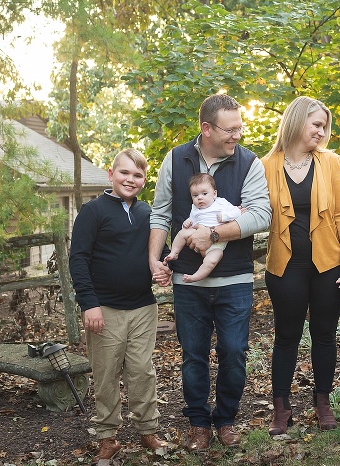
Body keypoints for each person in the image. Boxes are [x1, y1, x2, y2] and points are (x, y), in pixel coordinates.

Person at [148, 93, 271, 452]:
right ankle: (199, 423)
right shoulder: (175, 159)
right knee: (193, 353)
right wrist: (155, 259)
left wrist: (213, 234)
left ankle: (227, 419)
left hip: (234, 278)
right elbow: (159, 214)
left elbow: (261, 215)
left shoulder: (250, 163)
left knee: (234, 351)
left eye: (240, 128)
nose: (238, 135)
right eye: (231, 129)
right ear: (206, 128)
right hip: (188, 280)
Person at [261, 96, 340, 435]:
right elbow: (252, 213)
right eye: (316, 124)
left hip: (329, 265)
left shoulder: (331, 162)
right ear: (296, 121)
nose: (321, 131)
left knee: (324, 335)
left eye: (324, 126)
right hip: (285, 266)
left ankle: (322, 403)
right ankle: (281, 407)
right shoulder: (265, 165)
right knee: (286, 336)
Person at [69, 148, 170, 463]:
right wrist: (90, 304)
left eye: (138, 175)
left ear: (143, 181)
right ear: (111, 175)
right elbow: (79, 259)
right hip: (105, 310)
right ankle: (108, 437)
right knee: (106, 373)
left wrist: (165, 266)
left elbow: (160, 251)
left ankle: (147, 429)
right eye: (124, 172)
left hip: (143, 307)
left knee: (142, 371)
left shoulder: (147, 213)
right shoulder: (93, 211)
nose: (131, 179)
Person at [165, 173, 246, 282]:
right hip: (197, 234)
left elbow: (236, 212)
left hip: (218, 242)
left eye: (204, 193)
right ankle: (174, 252)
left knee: (212, 260)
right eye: (195, 195)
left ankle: (196, 276)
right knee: (182, 233)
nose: (200, 198)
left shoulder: (221, 203)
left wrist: (224, 216)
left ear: (214, 193)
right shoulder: (195, 208)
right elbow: (192, 219)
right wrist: (187, 222)